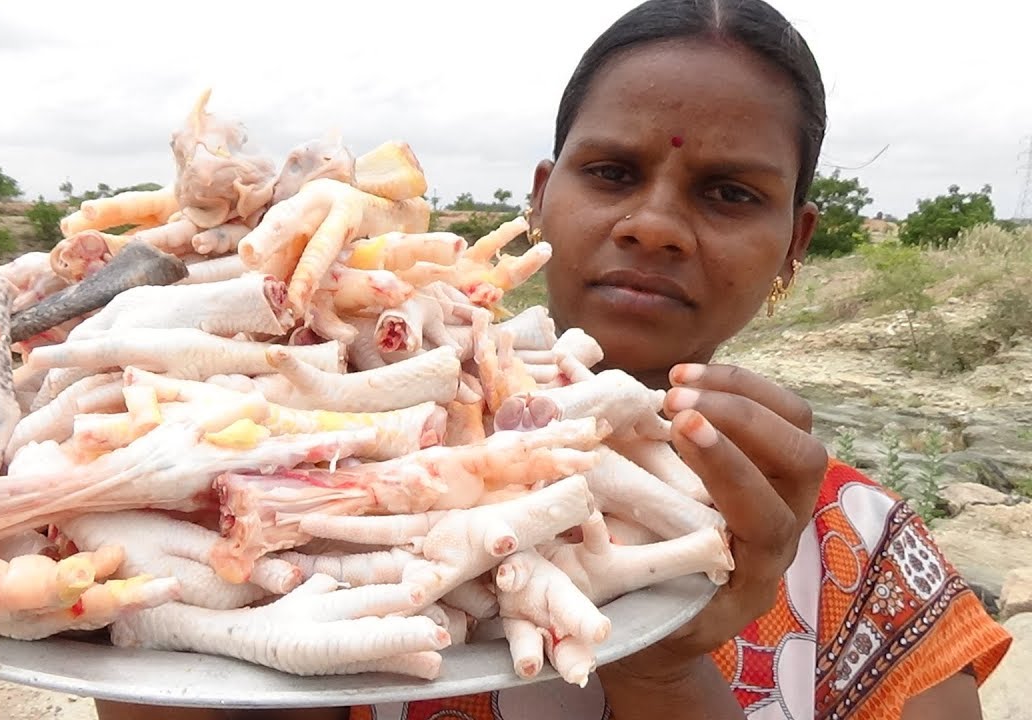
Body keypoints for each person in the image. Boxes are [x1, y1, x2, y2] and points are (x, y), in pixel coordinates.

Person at [94, 0, 1012, 718]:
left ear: (795, 241)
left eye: (729, 192)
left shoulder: (861, 551)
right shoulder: (326, 466)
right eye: (611, 172)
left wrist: (661, 668)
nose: (652, 224)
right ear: (542, 196)